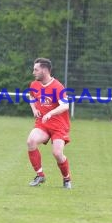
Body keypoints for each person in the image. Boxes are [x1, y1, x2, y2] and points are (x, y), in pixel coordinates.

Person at [26, 58, 72, 189]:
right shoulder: (34, 84)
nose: (33, 72)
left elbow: (65, 105)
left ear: (45, 70)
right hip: (43, 124)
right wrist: (34, 109)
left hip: (59, 126)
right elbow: (31, 97)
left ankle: (66, 178)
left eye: (36, 69)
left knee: (57, 154)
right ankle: (40, 175)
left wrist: (50, 113)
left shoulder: (58, 86)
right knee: (31, 142)